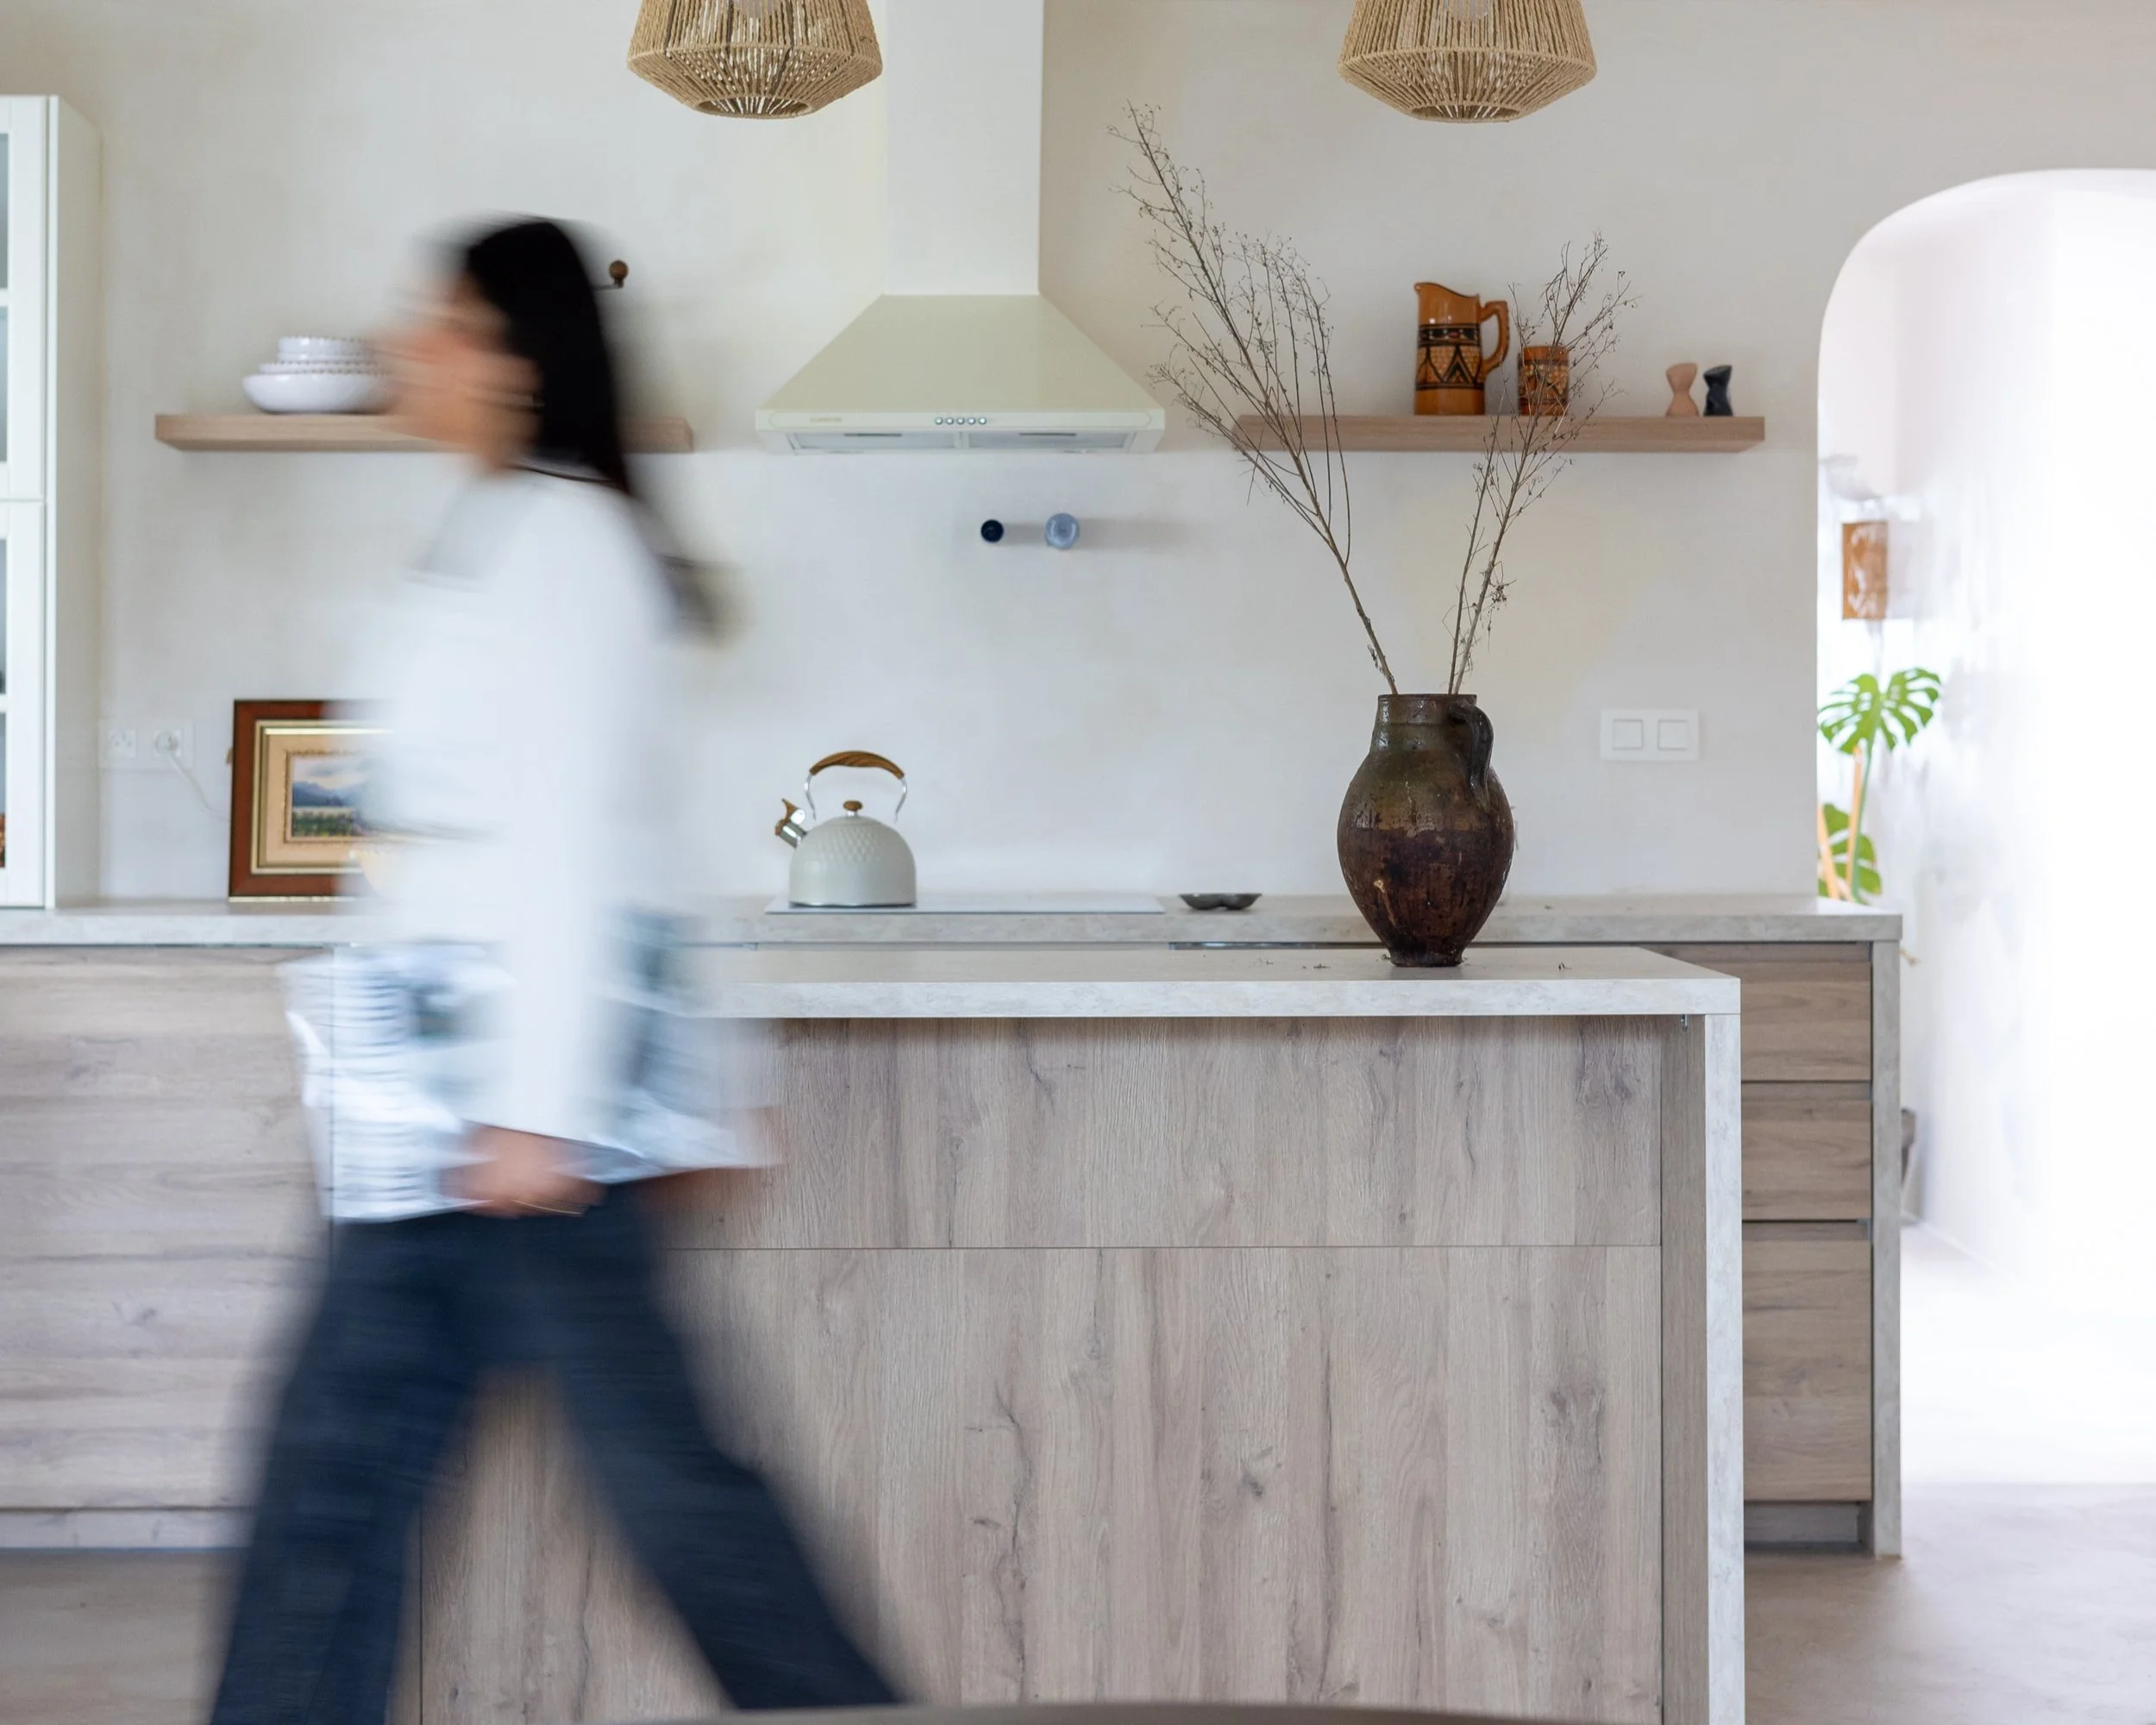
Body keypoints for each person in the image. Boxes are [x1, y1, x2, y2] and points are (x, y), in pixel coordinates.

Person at [208, 218, 898, 1724]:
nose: (414, 347)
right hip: (440, 1120)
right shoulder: (502, 531)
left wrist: (540, 1110)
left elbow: (584, 837)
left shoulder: (569, 542)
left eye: (445, 324)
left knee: (663, 1501)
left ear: (521, 362)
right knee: (346, 1481)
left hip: (521, 1128)